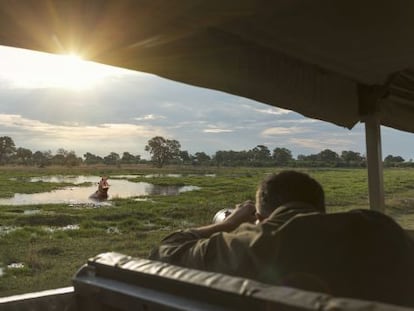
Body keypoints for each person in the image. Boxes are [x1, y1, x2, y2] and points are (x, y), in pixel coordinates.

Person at [149, 170, 414, 306]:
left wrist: (229, 223)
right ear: (320, 209)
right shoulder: (382, 229)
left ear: (262, 217)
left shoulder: (254, 243)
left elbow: (165, 250)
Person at [149, 170, 325, 281]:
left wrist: (228, 224)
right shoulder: (351, 237)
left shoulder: (248, 246)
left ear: (261, 219)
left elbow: (163, 253)